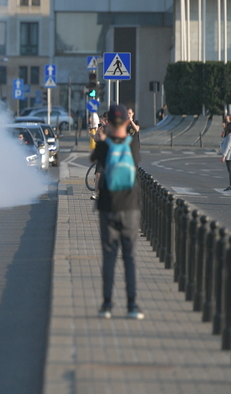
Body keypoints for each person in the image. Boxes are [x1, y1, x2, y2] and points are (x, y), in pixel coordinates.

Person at [90, 104, 144, 320]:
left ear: (109, 122)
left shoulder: (105, 145)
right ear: (125, 122)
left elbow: (94, 159)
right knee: (129, 257)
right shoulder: (132, 144)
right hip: (130, 207)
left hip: (107, 207)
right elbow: (137, 162)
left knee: (109, 256)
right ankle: (132, 305)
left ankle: (107, 305)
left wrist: (102, 138)